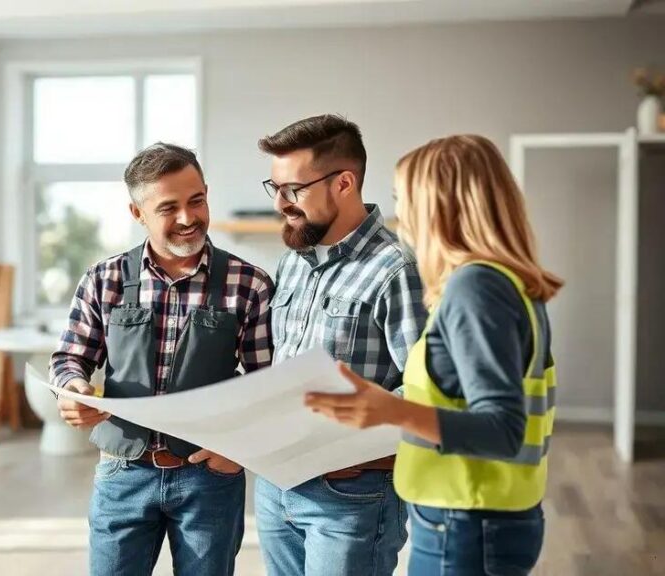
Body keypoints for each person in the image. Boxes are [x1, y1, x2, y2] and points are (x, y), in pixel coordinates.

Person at [306, 134, 562, 575]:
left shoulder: (476, 288)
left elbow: (503, 430)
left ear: (438, 205)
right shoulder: (508, 283)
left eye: (402, 200)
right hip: (484, 515)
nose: (400, 216)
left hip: (465, 520)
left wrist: (390, 410)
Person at [49, 143, 275, 576]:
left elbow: (267, 385)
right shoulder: (104, 279)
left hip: (209, 476)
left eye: (197, 200)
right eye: (169, 207)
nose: (188, 218)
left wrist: (237, 450)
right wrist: (71, 387)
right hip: (122, 474)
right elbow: (70, 358)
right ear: (138, 213)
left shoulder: (250, 284)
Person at [255, 115, 428, 576]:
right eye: (275, 188)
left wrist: (351, 447)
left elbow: (426, 392)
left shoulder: (396, 270)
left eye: (293, 189)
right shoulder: (291, 263)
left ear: (344, 183)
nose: (280, 204)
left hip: (350, 493)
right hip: (275, 487)